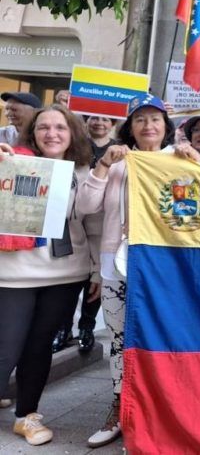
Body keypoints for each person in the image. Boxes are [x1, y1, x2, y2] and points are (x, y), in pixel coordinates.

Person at [76, 93, 175, 448]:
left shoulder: (179, 160)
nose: (148, 126)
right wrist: (103, 166)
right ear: (130, 127)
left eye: (155, 119)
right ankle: (120, 406)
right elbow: (85, 205)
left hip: (165, 269)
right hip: (116, 264)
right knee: (119, 338)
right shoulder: (117, 162)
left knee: (161, 338)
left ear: (166, 125)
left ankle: (159, 410)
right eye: (140, 120)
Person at [0, 105, 95, 446]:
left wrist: (97, 271)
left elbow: (92, 226)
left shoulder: (86, 172)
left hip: (65, 275)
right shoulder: (10, 161)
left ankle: (27, 416)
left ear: (72, 133)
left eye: (59, 127)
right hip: (13, 274)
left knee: (39, 347)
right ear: (33, 133)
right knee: (6, 346)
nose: (51, 133)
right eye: (43, 127)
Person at [52, 115, 118, 354]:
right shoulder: (64, 159)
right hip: (61, 242)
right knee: (67, 290)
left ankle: (86, 327)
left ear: (113, 124)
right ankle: (63, 329)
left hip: (94, 235)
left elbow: (92, 208)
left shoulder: (119, 152)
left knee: (92, 287)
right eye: (93, 118)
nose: (99, 123)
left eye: (104, 119)